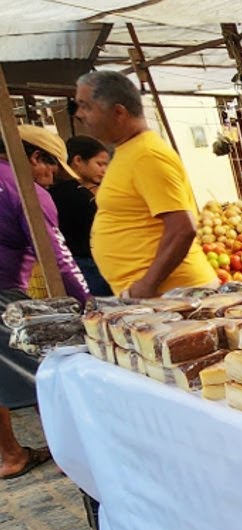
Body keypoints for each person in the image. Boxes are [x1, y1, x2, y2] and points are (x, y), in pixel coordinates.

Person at [0, 126, 92, 478]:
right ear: (36, 158)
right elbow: (59, 259)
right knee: (44, 373)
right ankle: (75, 453)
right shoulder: (24, 189)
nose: (52, 176)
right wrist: (87, 304)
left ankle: (12, 454)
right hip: (3, 290)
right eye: (51, 166)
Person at [75, 70, 217, 297]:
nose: (80, 114)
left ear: (118, 112)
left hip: (172, 295)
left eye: (86, 106)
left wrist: (148, 284)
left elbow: (182, 228)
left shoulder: (147, 155)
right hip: (159, 295)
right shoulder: (128, 150)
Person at [47, 135, 112, 296]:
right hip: (87, 266)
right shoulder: (77, 194)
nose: (104, 170)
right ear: (78, 160)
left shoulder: (54, 192)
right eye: (100, 164)